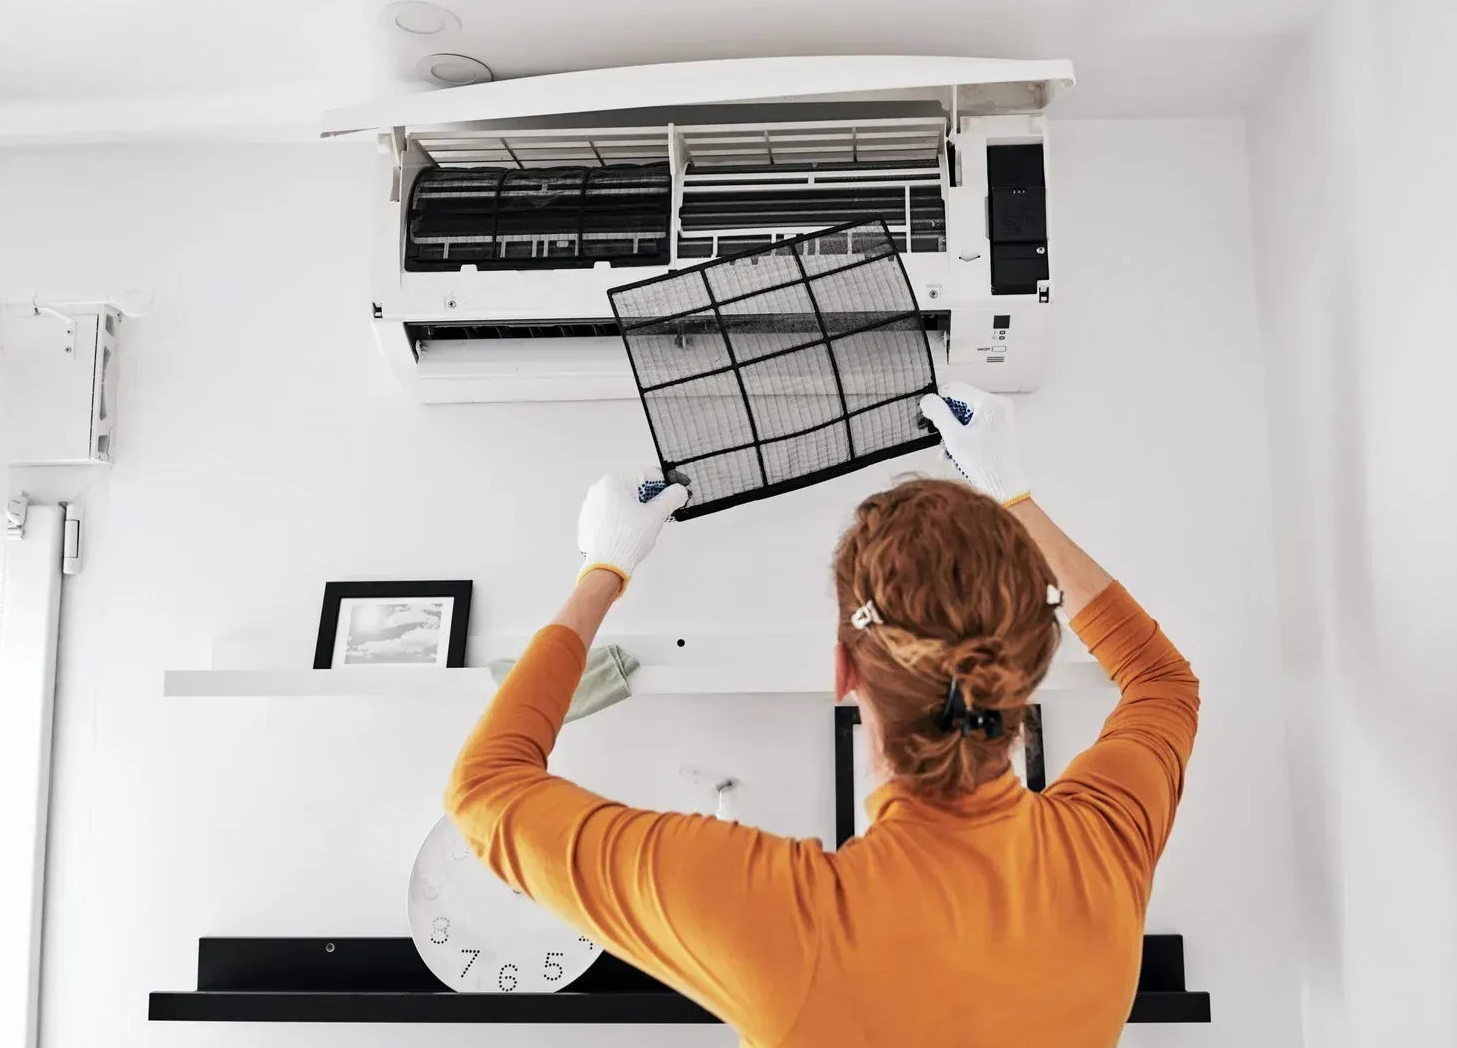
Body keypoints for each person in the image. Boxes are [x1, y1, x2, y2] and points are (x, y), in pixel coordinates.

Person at [446, 382, 1200, 1047]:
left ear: (842, 671)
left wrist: (602, 569)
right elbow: (1162, 680)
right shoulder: (1105, 848)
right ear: (1025, 669)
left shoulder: (783, 922)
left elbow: (483, 793)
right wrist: (1015, 497)